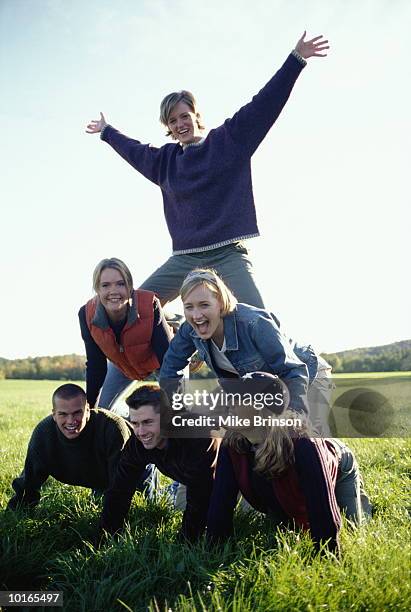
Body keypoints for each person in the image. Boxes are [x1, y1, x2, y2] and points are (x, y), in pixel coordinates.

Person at [85, 32, 329, 310]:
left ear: (196, 116)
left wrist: (295, 61)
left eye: (184, 116)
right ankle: (173, 333)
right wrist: (107, 132)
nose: (180, 124)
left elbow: (263, 106)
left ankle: (279, 353)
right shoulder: (165, 161)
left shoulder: (228, 141)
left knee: (260, 319)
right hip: (185, 258)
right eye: (173, 120)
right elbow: (135, 150)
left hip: (228, 253)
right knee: (140, 308)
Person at [206, 373, 371, 554]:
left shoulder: (303, 444)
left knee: (353, 528)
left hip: (339, 465)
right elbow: (221, 500)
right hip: (284, 478)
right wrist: (213, 551)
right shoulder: (232, 444)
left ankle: (360, 499)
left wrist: (329, 556)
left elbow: (321, 508)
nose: (229, 404)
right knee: (286, 527)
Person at [160, 268, 322, 418]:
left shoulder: (254, 323)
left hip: (306, 375)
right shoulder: (189, 329)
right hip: (254, 388)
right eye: (189, 307)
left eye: (204, 305)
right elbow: (170, 369)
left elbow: (293, 372)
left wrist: (294, 417)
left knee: (301, 442)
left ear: (221, 303)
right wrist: (178, 411)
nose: (196, 315)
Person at [99, 384, 218, 542]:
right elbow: (120, 490)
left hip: (237, 473)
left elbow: (201, 498)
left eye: (148, 422)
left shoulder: (198, 436)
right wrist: (105, 536)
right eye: (135, 423)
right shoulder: (138, 441)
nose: (141, 432)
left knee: (224, 517)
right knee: (182, 507)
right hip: (192, 477)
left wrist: (185, 546)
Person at [7, 384, 155, 510]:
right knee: (102, 496)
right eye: (63, 414)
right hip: (96, 471)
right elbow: (29, 482)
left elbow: (121, 487)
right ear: (54, 415)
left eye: (77, 413)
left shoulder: (112, 429)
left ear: (88, 411)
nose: (71, 421)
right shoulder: (44, 433)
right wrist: (16, 512)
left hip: (133, 467)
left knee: (145, 504)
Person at [79, 257, 172, 410]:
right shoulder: (86, 315)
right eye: (105, 285)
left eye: (120, 284)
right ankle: (128, 424)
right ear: (97, 289)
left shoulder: (149, 303)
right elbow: (96, 365)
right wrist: (89, 409)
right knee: (101, 410)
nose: (113, 291)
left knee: (176, 408)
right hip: (122, 364)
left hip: (159, 359)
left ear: (130, 288)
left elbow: (167, 358)